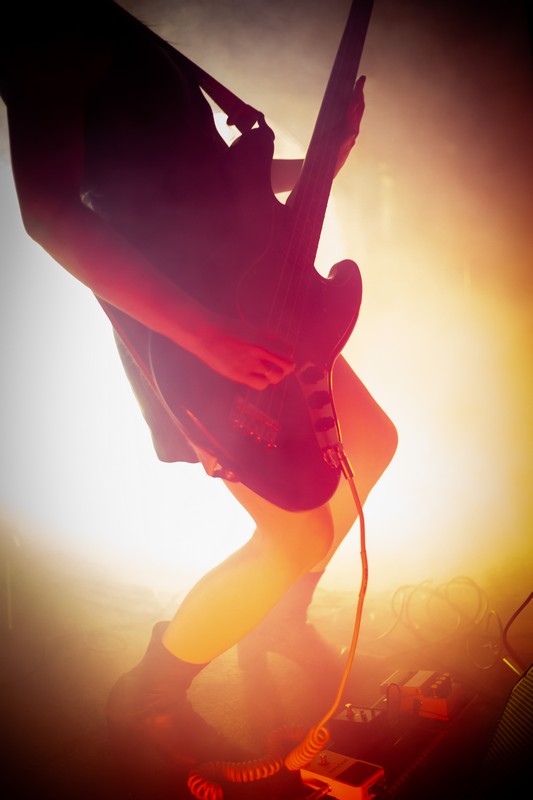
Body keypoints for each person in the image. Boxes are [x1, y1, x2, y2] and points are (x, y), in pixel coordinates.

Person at [0, 0, 397, 771]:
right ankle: (148, 697)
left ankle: (277, 621)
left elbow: (206, 180)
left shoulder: (110, 25)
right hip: (190, 327)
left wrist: (323, 163)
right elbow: (49, 212)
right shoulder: (48, 25)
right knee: (297, 535)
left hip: (253, 301)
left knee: (370, 443)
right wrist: (203, 337)